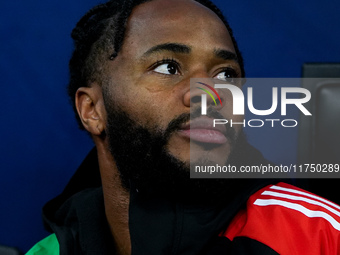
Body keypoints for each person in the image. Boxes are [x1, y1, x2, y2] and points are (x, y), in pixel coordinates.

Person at [26, 0, 340, 254]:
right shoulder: (52, 251)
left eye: (226, 75)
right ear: (92, 110)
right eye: (168, 67)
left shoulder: (320, 234)